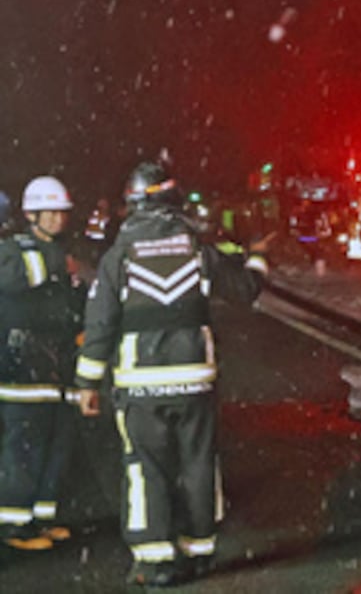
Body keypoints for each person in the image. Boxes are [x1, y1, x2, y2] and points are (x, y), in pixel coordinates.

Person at [75, 160, 271, 587]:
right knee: (199, 462)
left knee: (146, 466)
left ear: (132, 204)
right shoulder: (197, 250)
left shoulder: (119, 257)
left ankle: (156, 560)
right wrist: (258, 256)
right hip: (195, 381)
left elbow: (100, 323)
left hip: (140, 384)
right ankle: (200, 550)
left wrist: (88, 383)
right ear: (173, 200)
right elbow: (246, 289)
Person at [0, 176, 85, 552]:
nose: (57, 219)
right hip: (22, 365)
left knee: (57, 444)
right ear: (31, 215)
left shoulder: (65, 254)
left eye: (61, 212)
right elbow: (12, 282)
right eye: (49, 212)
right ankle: (14, 524)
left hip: (56, 365)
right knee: (24, 447)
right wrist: (55, 264)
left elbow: (73, 301)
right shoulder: (12, 251)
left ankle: (42, 516)